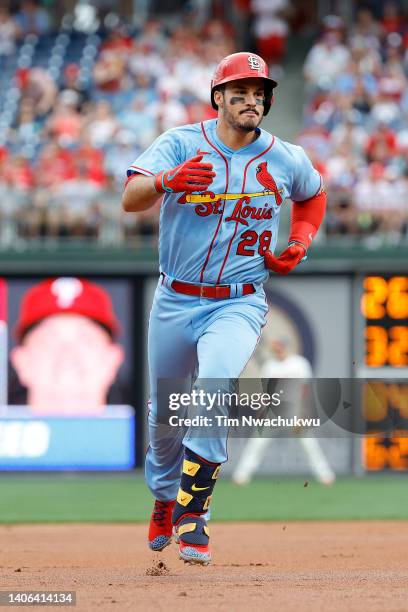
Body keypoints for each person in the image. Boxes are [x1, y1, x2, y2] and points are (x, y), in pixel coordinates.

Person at [122, 51, 326, 565]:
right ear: (219, 98)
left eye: (260, 93)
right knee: (164, 418)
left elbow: (313, 195)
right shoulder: (181, 143)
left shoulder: (285, 157)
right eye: (240, 91)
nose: (251, 100)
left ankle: (195, 512)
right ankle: (165, 497)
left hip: (238, 301)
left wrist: (300, 241)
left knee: (214, 383)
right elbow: (130, 197)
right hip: (175, 297)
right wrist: (166, 181)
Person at [11, 277, 124, 415]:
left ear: (112, 360)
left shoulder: (145, 435)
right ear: (21, 361)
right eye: (49, 340)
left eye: (85, 339)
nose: (67, 353)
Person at [232, 337, 336, 486]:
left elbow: (305, 391)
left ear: (287, 347)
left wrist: (303, 415)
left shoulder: (299, 364)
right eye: (276, 349)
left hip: (294, 411)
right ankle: (241, 476)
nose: (278, 351)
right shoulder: (270, 366)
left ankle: (326, 475)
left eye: (280, 348)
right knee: (257, 444)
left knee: (309, 445)